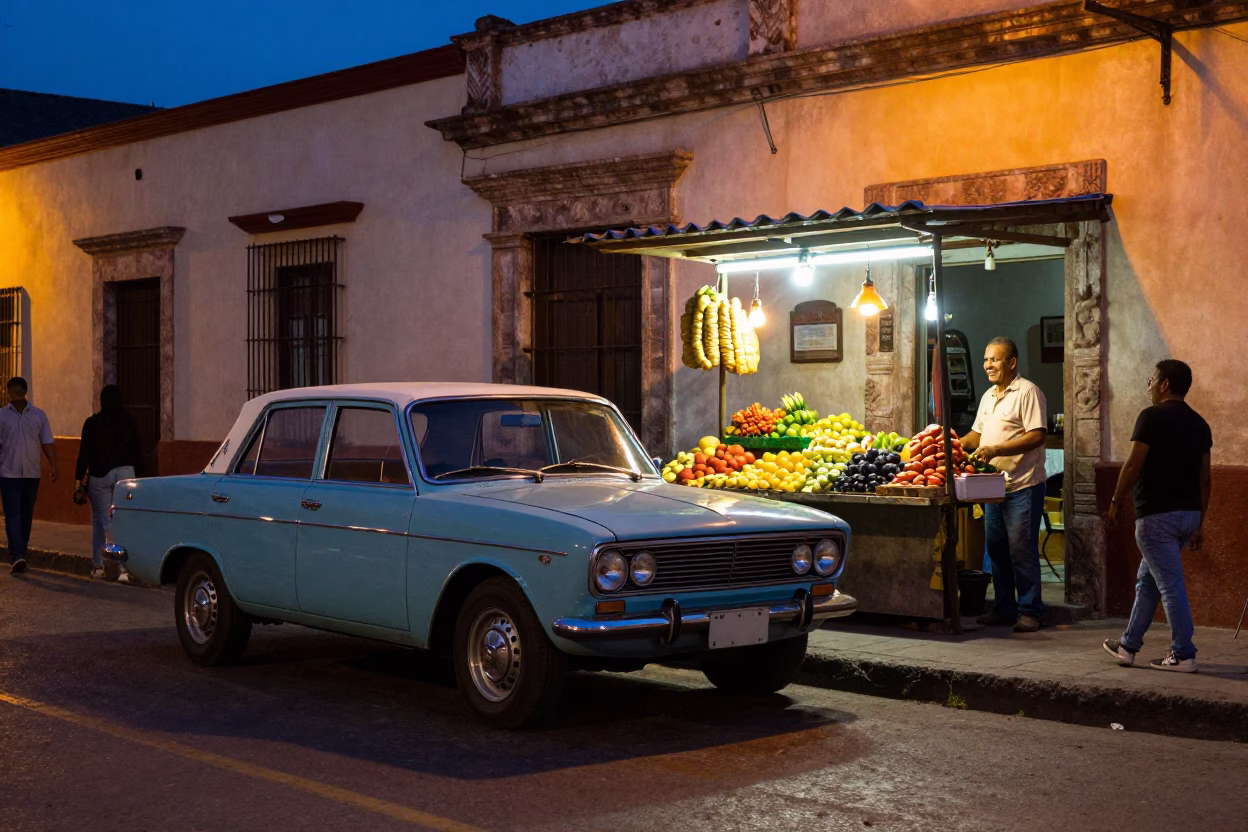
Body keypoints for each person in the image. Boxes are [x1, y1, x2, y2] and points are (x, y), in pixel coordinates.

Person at [1102, 360, 1211, 672]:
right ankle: (1127, 646)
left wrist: (1115, 500)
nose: (1148, 385)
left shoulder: (1150, 417)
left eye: (1151, 379)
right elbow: (1205, 479)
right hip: (1187, 516)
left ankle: (1183, 653)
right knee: (1148, 580)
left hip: (1156, 518)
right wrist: (1199, 522)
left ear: (1164, 384)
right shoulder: (1200, 424)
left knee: (1169, 585)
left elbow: (1133, 465)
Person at [961, 337, 1047, 632]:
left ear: (1012, 362)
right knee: (996, 549)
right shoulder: (988, 397)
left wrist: (997, 450)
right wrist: (952, 445)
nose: (988, 365)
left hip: (1023, 485)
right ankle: (1003, 608)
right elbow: (976, 436)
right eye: (986, 359)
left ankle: (1030, 611)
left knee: (1021, 550)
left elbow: (1037, 435)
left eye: (995, 359)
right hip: (992, 488)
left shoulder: (1028, 392)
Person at [75, 385, 143, 582]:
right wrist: (142, 478)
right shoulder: (130, 422)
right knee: (117, 520)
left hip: (100, 475)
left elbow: (84, 453)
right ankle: (104, 564)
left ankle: (113, 566)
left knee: (103, 521)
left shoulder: (93, 423)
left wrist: (78, 479)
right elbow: (139, 452)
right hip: (126, 474)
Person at [0, 377, 57, 575]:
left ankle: (20, 553)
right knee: (13, 515)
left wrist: (53, 465)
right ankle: (17, 555)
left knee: (25, 515)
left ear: (21, 393)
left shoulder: (39, 416)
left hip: (32, 473)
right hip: (9, 473)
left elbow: (47, 441)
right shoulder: (2, 416)